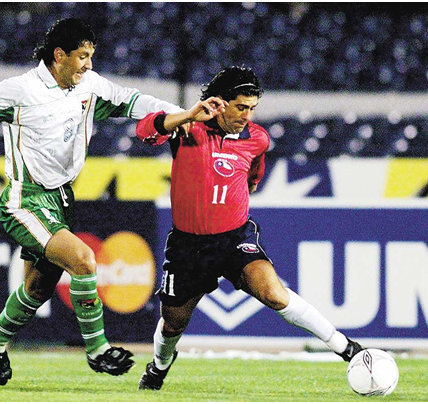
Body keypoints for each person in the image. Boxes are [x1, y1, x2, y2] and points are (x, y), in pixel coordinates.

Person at [0, 18, 183, 385]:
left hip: (61, 198)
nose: (88, 65)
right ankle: (97, 350)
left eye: (91, 56)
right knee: (83, 259)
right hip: (25, 200)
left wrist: (183, 115)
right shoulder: (21, 90)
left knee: (38, 289)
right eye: (82, 56)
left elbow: (135, 101)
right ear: (59, 55)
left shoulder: (89, 86)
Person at [135, 66, 365, 391]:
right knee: (173, 322)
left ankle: (347, 348)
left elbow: (252, 178)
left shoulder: (257, 139)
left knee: (274, 294)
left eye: (252, 108)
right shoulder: (189, 127)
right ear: (220, 103)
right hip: (189, 246)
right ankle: (159, 367)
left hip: (235, 238)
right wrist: (188, 114)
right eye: (241, 107)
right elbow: (144, 130)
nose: (247, 115)